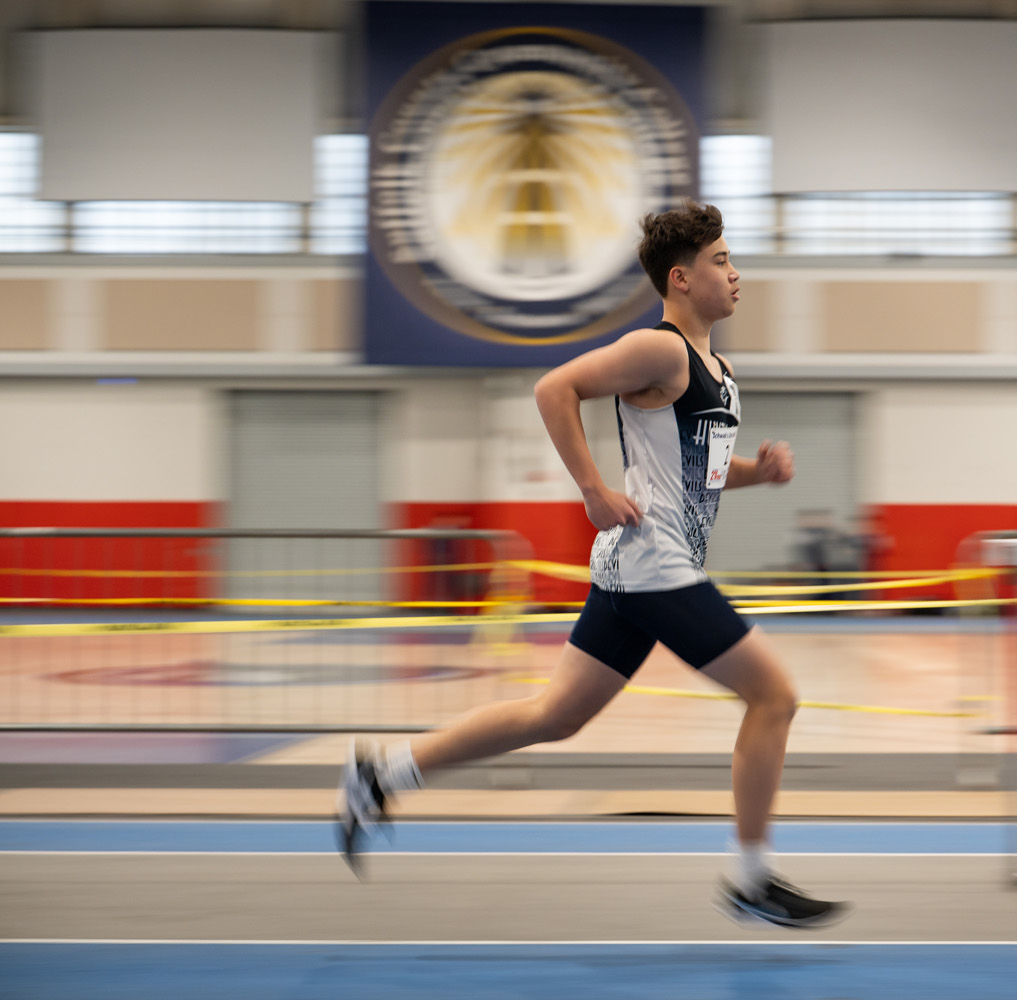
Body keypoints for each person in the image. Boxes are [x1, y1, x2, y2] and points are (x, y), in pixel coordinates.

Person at [337, 201, 848, 930]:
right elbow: (555, 388)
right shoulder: (660, 350)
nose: (736, 273)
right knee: (775, 697)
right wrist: (592, 488)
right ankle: (751, 878)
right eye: (722, 260)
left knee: (556, 716)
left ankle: (383, 774)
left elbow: (698, 472)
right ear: (681, 278)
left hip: (637, 566)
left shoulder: (721, 371)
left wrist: (755, 474)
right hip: (655, 564)